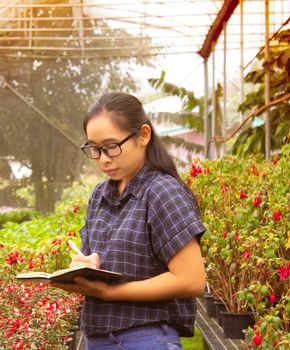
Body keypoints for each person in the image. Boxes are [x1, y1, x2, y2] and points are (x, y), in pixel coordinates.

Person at [52, 92, 206, 350]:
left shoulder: (162, 192)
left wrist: (111, 293)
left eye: (111, 147)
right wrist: (83, 264)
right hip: (98, 339)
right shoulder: (100, 194)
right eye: (95, 149)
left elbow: (191, 280)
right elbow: (95, 259)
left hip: (146, 338)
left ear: (143, 135)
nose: (103, 158)